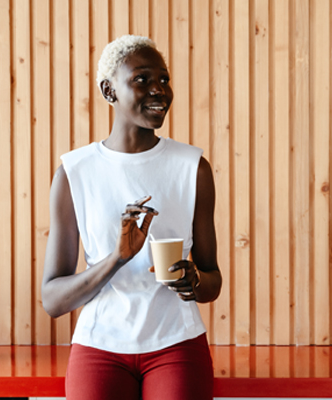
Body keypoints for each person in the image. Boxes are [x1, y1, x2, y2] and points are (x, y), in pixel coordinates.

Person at [41, 35, 221, 400]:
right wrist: (117, 258)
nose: (159, 90)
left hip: (176, 344)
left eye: (164, 79)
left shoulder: (193, 168)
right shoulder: (74, 173)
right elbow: (53, 300)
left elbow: (212, 281)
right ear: (109, 91)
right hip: (99, 346)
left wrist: (194, 280)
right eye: (142, 79)